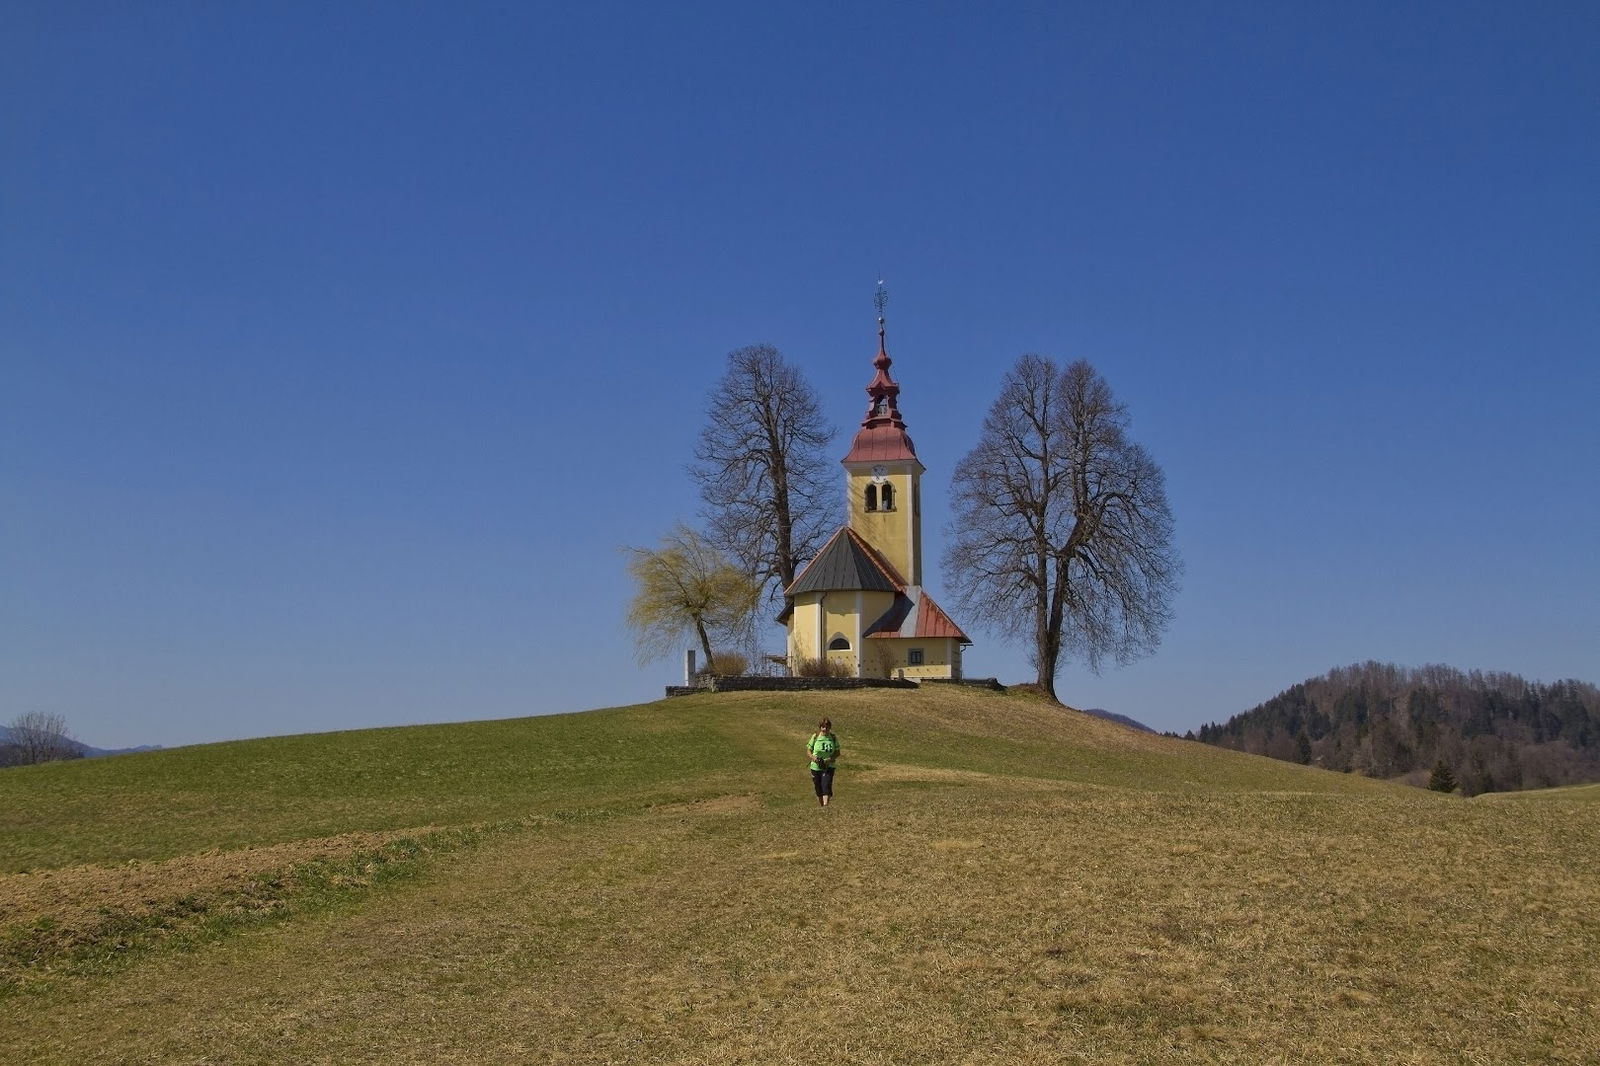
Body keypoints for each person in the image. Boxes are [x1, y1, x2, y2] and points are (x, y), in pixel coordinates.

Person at [806, 718, 840, 807]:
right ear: (820, 727)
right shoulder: (815, 736)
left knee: (826, 785)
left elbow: (837, 752)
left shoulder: (833, 737)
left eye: (827, 727)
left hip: (829, 766)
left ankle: (826, 806)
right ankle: (822, 806)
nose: (825, 729)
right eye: (823, 727)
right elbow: (808, 751)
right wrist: (814, 758)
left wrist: (829, 759)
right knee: (818, 788)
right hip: (815, 767)